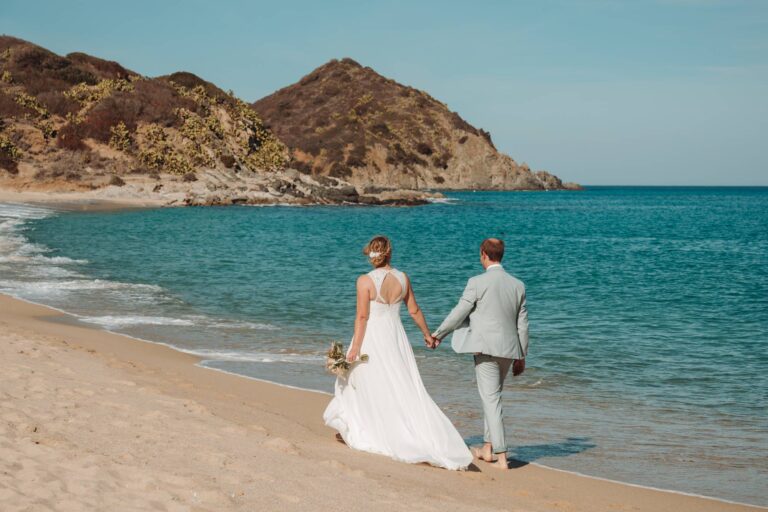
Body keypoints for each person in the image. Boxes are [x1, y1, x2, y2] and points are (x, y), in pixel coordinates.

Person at [323, 235, 473, 470]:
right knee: (400, 383)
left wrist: (355, 348)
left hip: (373, 336)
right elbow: (414, 310)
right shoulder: (403, 278)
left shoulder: (364, 281)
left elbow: (362, 317)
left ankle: (366, 429)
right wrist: (427, 334)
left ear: (371, 255)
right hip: (395, 337)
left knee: (363, 381)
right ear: (389, 253)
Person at [432, 238, 529, 470]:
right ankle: (487, 448)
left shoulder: (476, 282)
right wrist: (522, 355)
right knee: (493, 397)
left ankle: (502, 456)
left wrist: (438, 334)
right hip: (508, 349)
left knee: (491, 399)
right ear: (501, 255)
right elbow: (523, 324)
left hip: (485, 349)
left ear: (484, 254)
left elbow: (459, 312)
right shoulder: (518, 285)